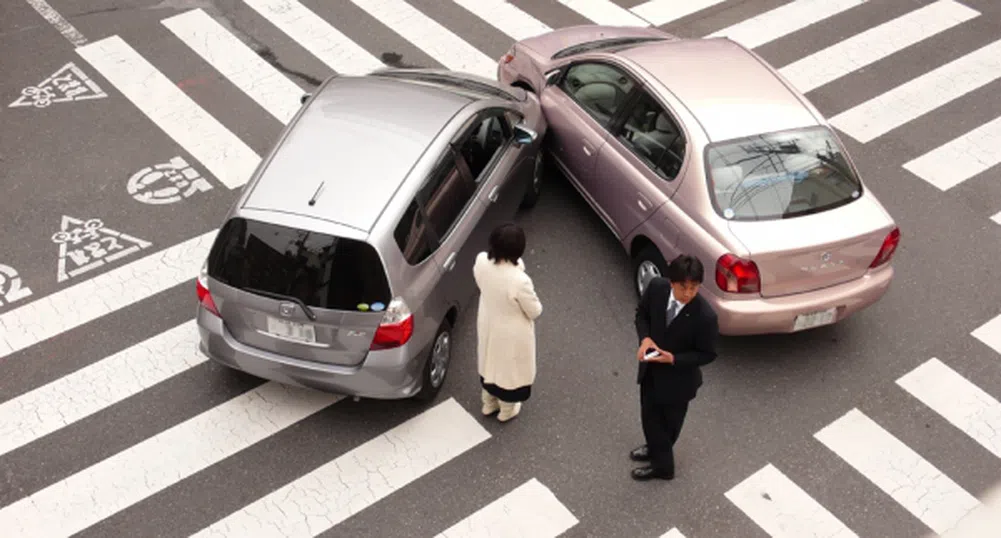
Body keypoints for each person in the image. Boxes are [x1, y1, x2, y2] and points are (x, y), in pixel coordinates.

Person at [630, 254, 718, 480]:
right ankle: (654, 447)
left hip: (679, 383)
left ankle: (663, 467)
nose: (688, 293)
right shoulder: (657, 288)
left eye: (694, 287)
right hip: (650, 371)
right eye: (683, 287)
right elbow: (642, 315)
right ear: (671, 282)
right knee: (649, 416)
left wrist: (674, 359)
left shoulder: (705, 316)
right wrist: (645, 339)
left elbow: (707, 354)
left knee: (668, 426)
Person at [473, 223, 543, 422]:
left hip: (488, 320)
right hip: (511, 332)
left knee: (488, 362)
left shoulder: (480, 262)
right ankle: (506, 410)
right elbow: (535, 311)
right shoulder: (520, 280)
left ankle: (488, 403)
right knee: (508, 372)